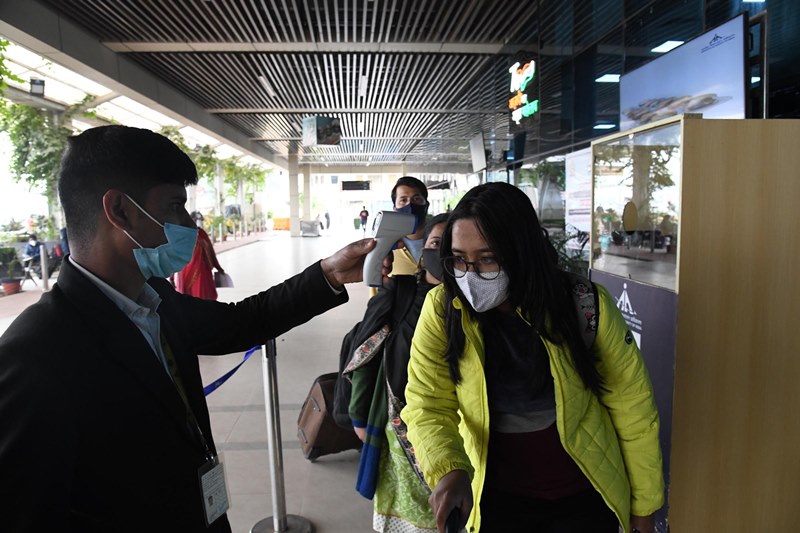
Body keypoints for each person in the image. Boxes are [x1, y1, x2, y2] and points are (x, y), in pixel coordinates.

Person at [0, 125, 392, 533]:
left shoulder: (153, 300)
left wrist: (327, 273)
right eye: (174, 206)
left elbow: (239, 324)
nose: (188, 224)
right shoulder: (33, 359)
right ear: (120, 211)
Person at [402, 182, 664, 533]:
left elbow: (633, 409)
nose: (471, 274)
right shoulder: (443, 309)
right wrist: (449, 467)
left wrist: (643, 509)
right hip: (495, 500)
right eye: (459, 259)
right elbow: (427, 403)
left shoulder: (584, 305)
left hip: (584, 498)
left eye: (488, 258)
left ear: (520, 251)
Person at [347, 213, 449, 533]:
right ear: (422, 250)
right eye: (435, 242)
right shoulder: (400, 293)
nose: (443, 251)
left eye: (453, 245)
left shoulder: (478, 304)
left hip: (456, 433)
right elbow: (367, 354)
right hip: (400, 431)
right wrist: (359, 417)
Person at [173, 212, 225, 300]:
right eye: (197, 220)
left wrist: (218, 267)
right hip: (186, 274)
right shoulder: (182, 234)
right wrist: (172, 276)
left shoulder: (201, 233)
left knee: (203, 298)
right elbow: (175, 256)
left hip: (202, 272)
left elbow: (211, 252)